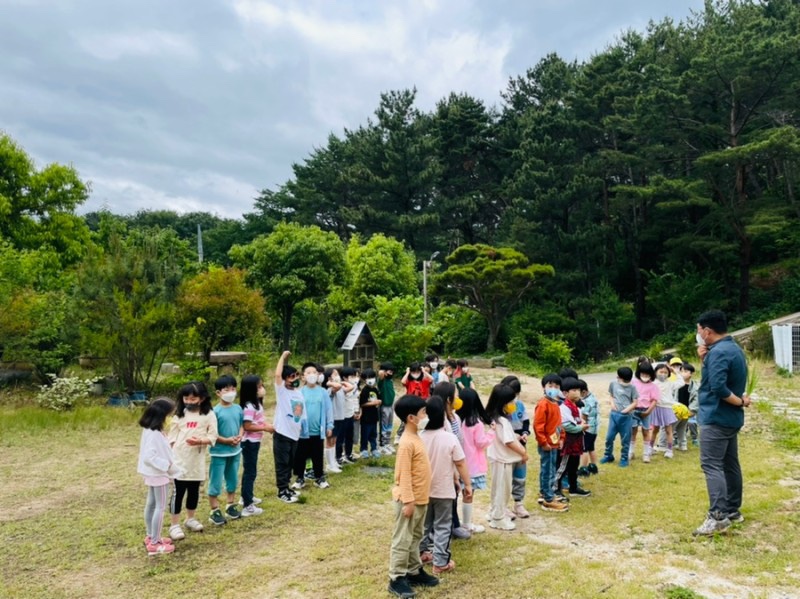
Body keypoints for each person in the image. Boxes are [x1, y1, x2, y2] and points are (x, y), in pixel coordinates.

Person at [693, 310, 750, 536]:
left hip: (716, 417)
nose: (698, 335)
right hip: (730, 419)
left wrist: (740, 402)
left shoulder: (718, 352)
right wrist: (704, 360)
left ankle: (718, 516)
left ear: (707, 331)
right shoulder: (733, 348)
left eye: (699, 331)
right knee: (729, 463)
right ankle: (732, 510)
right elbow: (719, 378)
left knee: (712, 465)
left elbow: (718, 387)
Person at [388, 395, 438, 599]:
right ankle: (397, 577)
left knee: (416, 537)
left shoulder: (417, 436)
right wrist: (408, 501)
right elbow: (404, 475)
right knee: (403, 538)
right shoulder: (406, 443)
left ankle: (413, 570)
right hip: (409, 501)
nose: (426, 416)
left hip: (421, 499)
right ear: (411, 418)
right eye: (423, 413)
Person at [419, 396, 473, 575]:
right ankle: (440, 562)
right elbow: (460, 463)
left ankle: (421, 553)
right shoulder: (449, 438)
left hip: (424, 490)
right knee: (442, 526)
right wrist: (467, 484)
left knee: (424, 524)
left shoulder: (420, 437)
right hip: (444, 490)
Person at [168, 382, 217, 541]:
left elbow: (213, 436)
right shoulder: (179, 415)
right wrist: (170, 458)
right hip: (179, 459)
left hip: (196, 460)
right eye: (186, 398)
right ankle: (174, 525)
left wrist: (201, 441)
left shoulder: (209, 414)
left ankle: (190, 518)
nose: (189, 402)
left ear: (202, 398)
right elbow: (171, 438)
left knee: (194, 491)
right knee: (178, 492)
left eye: (193, 399)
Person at [138, 397, 181, 555]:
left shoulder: (151, 429)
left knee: (151, 504)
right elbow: (149, 457)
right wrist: (166, 465)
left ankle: (151, 536)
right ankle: (155, 543)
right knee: (160, 507)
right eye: (169, 415)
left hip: (153, 473)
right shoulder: (154, 433)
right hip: (158, 474)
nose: (171, 418)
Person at [485, 383, 529, 530]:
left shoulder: (495, 418)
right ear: (502, 403)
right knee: (502, 490)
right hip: (503, 460)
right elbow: (509, 442)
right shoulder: (502, 421)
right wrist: (523, 452)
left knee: (497, 488)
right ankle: (498, 518)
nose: (513, 403)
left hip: (497, 458)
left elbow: (507, 437)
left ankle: (494, 512)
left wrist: (516, 436)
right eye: (510, 401)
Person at [455, 387, 493, 534]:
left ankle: (457, 522)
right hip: (473, 466)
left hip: (457, 464)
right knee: (469, 495)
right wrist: (492, 433)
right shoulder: (475, 423)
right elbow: (481, 443)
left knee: (456, 495)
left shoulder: (456, 420)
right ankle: (466, 523)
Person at [208, 375, 244, 525]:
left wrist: (239, 436)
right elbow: (212, 434)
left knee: (232, 478)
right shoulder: (214, 412)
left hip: (235, 451)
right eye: (226, 390)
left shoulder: (238, 408)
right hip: (219, 452)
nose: (231, 392)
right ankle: (214, 509)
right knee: (215, 481)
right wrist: (226, 440)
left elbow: (241, 425)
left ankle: (230, 505)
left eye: (233, 389)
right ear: (218, 393)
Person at [292, 363, 334, 490]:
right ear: (303, 376)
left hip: (318, 431)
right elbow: (296, 412)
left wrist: (329, 426)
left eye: (314, 372)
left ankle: (319, 477)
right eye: (308, 372)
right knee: (300, 455)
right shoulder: (299, 392)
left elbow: (328, 410)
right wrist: (296, 425)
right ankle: (300, 478)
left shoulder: (323, 392)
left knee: (317, 455)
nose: (312, 375)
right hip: (303, 432)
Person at [272, 351, 305, 504]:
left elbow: (301, 413)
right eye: (291, 376)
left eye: (296, 375)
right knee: (282, 463)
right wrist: (283, 357)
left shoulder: (298, 393)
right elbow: (277, 375)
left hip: (294, 434)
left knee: (291, 462)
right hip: (282, 433)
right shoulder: (282, 391)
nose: (295, 379)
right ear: (285, 379)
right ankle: (282, 490)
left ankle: (287, 486)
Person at [534, 374, 569, 511]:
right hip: (547, 445)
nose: (553, 388)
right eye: (550, 385)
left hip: (554, 443)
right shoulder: (543, 404)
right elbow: (538, 426)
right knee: (548, 471)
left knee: (550, 469)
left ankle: (545, 492)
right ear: (544, 387)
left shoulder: (555, 404)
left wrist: (562, 438)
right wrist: (543, 442)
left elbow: (559, 424)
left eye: (556, 386)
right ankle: (548, 499)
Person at [500, 375, 532, 519]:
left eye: (517, 394)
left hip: (521, 443)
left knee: (520, 475)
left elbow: (525, 421)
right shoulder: (501, 409)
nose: (515, 397)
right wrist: (513, 436)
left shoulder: (520, 405)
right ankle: (503, 505)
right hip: (507, 446)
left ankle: (518, 503)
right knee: (506, 477)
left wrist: (525, 433)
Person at [239, 374, 269, 515]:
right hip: (249, 442)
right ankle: (247, 505)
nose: (262, 389)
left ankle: (246, 496)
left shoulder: (257, 403)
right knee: (250, 472)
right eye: (259, 387)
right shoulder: (249, 407)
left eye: (262, 386)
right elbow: (247, 426)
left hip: (255, 441)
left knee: (250, 471)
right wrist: (265, 428)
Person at [556, 378, 591, 497]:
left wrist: (582, 424)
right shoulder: (564, 408)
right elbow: (566, 426)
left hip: (576, 442)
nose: (577, 393)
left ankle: (573, 487)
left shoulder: (575, 407)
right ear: (565, 393)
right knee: (562, 467)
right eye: (574, 390)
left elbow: (578, 421)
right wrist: (581, 428)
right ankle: (555, 489)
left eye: (579, 390)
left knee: (574, 466)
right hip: (567, 443)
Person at [600, 367, 638, 467]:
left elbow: (635, 402)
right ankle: (608, 455)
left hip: (626, 417)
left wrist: (626, 410)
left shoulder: (632, 388)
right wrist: (612, 404)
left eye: (619, 377)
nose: (617, 377)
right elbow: (611, 395)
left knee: (625, 439)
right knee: (609, 437)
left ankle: (624, 458)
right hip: (614, 415)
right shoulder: (613, 384)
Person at [630, 361, 659, 464]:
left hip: (646, 410)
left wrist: (648, 411)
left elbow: (654, 401)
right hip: (634, 410)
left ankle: (646, 454)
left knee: (646, 431)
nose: (645, 376)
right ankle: (630, 451)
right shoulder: (633, 383)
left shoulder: (653, 386)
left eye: (647, 374)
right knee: (633, 431)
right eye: (643, 374)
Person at [650, 363, 679, 458]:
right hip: (656, 407)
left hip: (667, 408)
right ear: (656, 372)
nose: (663, 374)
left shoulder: (670, 383)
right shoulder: (653, 383)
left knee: (668, 430)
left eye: (665, 372)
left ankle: (669, 450)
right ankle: (650, 448)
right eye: (661, 372)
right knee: (655, 430)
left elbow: (681, 382)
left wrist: (675, 372)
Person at [338, 366, 360, 464]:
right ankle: (339, 456)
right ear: (344, 377)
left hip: (350, 414)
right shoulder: (341, 387)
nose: (354, 378)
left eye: (354, 376)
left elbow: (355, 399)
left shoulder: (354, 386)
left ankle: (349, 454)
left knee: (349, 436)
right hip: (342, 415)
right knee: (340, 437)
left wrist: (356, 411)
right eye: (351, 376)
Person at [577, 379, 599, 476]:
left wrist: (580, 424)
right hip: (594, 428)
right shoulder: (593, 397)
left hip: (587, 428)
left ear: (584, 392)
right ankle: (593, 466)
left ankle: (583, 468)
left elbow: (584, 417)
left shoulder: (586, 402)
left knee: (584, 449)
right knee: (591, 448)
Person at [359, 368, 382, 459]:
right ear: (364, 379)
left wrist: (379, 402)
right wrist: (373, 403)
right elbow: (362, 403)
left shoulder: (375, 389)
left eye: (372, 377)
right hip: (366, 417)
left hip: (374, 416)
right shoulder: (364, 390)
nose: (371, 379)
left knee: (373, 434)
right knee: (365, 434)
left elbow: (379, 399)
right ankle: (363, 449)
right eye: (368, 378)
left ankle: (374, 449)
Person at [378, 362, 397, 454]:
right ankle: (382, 445)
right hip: (384, 406)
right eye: (389, 371)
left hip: (390, 405)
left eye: (392, 372)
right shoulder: (382, 381)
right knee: (384, 426)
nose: (391, 373)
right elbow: (380, 374)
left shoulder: (390, 381)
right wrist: (383, 371)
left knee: (389, 425)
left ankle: (387, 443)